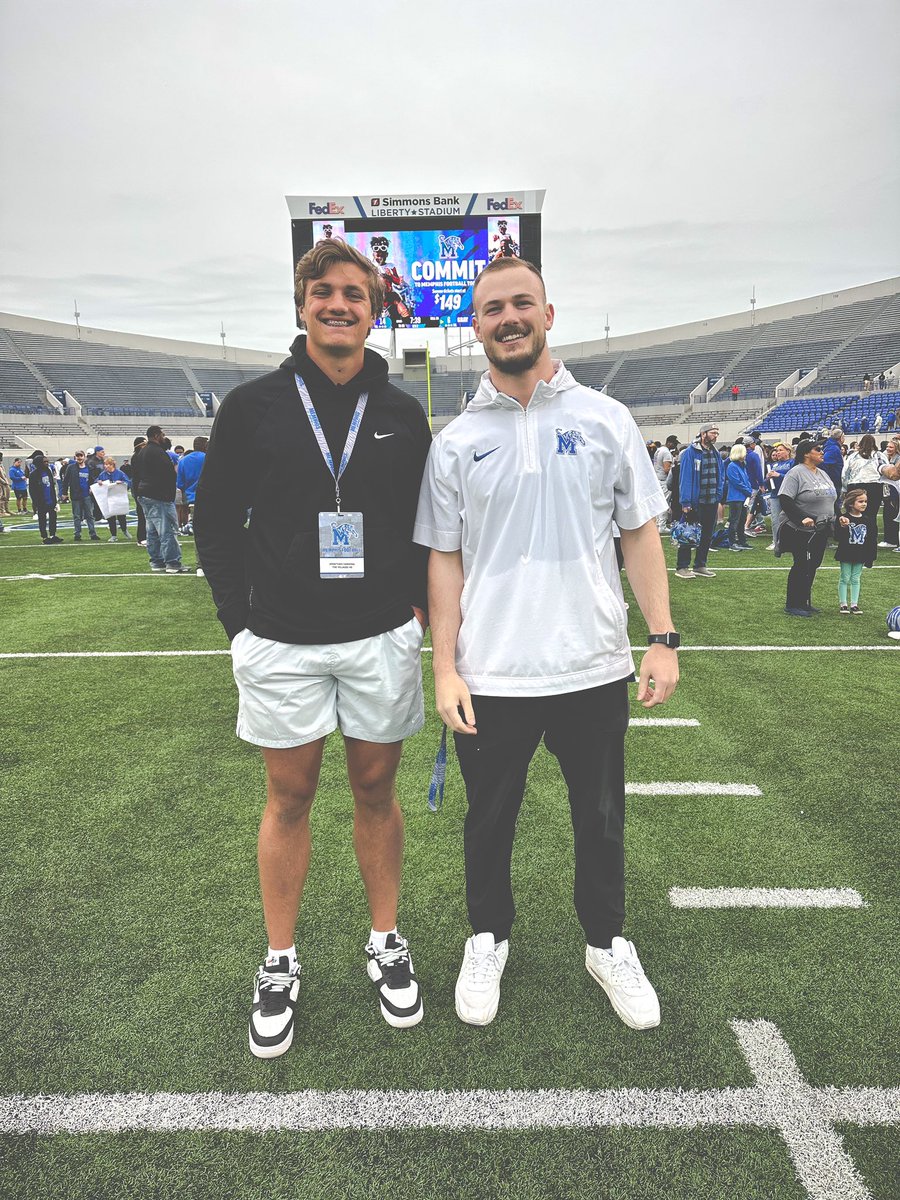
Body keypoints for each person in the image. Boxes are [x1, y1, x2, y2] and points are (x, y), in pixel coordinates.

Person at [414, 256, 678, 1032]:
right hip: (492, 673)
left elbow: (639, 533)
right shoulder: (457, 440)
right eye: (492, 307)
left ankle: (606, 942)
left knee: (599, 817)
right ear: (477, 326)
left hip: (592, 666)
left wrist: (661, 638)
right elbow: (444, 557)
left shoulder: (605, 417)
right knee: (487, 820)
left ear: (548, 313)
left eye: (520, 302)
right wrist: (445, 666)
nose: (508, 317)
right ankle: (488, 936)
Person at [194, 237, 432, 1057]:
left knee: (375, 788)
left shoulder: (401, 412)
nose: (339, 305)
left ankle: (386, 939)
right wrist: (240, 623)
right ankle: (280, 958)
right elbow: (215, 522)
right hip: (283, 640)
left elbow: (427, 529)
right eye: (324, 292)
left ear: (375, 310)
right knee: (288, 796)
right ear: (302, 305)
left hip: (378, 636)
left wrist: (419, 616)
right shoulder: (253, 406)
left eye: (354, 295)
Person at [776, 440, 837, 617]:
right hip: (799, 529)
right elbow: (785, 500)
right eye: (818, 449)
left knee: (813, 564)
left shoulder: (823, 473)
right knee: (801, 564)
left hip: (821, 528)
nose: (822, 452)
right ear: (806, 454)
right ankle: (792, 604)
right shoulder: (795, 473)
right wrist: (802, 518)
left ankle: (804, 601)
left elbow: (832, 498)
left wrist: (839, 515)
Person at [130, 426, 187, 574]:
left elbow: (136, 475)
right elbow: (168, 474)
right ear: (156, 436)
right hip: (158, 495)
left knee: (152, 531)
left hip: (145, 493)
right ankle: (172, 562)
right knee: (167, 530)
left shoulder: (142, 452)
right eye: (162, 434)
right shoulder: (158, 452)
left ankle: (157, 561)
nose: (164, 436)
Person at [675, 422, 723, 579]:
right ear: (703, 434)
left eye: (717, 433)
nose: (715, 436)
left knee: (707, 534)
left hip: (711, 500)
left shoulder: (715, 453)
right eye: (713, 433)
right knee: (689, 534)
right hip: (696, 502)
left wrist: (718, 495)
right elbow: (686, 477)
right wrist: (686, 502)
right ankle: (682, 567)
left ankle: (700, 565)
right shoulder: (691, 452)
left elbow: (720, 475)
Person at [842, 434, 891, 541]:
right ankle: (871, 537)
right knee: (871, 514)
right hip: (874, 487)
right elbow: (886, 471)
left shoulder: (853, 456)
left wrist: (845, 489)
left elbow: (844, 474)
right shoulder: (879, 456)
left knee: (854, 514)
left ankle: (854, 537)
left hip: (855, 486)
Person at [834, 489, 875, 614]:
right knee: (845, 577)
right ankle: (843, 604)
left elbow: (871, 540)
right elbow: (837, 537)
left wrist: (870, 557)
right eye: (860, 501)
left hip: (860, 554)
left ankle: (854, 604)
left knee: (856, 578)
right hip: (846, 553)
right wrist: (842, 526)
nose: (864, 504)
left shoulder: (868, 520)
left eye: (865, 501)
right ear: (851, 503)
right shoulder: (844, 518)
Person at [61, 450, 101, 541]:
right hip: (75, 495)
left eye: (81, 456)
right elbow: (66, 480)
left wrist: (92, 487)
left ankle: (93, 534)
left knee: (90, 515)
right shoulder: (71, 468)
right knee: (77, 516)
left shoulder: (88, 467)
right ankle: (77, 534)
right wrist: (64, 493)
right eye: (77, 456)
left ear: (84, 457)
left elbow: (92, 479)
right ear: (75, 457)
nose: (79, 457)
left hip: (86, 495)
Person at [27, 450, 63, 544]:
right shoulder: (33, 474)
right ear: (39, 463)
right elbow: (32, 490)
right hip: (41, 501)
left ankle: (52, 535)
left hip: (50, 499)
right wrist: (36, 502)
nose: (47, 463)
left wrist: (55, 500)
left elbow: (51, 486)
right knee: (42, 520)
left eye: (47, 462)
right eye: (44, 462)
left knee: (53, 518)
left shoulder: (48, 471)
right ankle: (44, 537)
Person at [175, 436, 208, 533]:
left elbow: (180, 482)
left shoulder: (183, 460)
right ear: (205, 446)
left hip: (189, 496)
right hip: (206, 495)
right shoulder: (208, 458)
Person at [95, 456, 131, 541]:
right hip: (108, 498)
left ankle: (124, 530)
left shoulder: (120, 473)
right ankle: (113, 535)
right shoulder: (103, 474)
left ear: (112, 465)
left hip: (118, 498)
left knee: (121, 516)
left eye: (108, 464)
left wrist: (121, 482)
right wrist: (98, 482)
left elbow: (128, 482)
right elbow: (97, 481)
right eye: (105, 464)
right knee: (110, 517)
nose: (106, 466)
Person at [764, 443, 793, 550]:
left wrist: (779, 475)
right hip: (775, 495)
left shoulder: (792, 463)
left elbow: (793, 478)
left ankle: (790, 542)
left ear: (788, 451)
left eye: (780, 450)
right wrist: (767, 478)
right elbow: (767, 484)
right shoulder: (773, 465)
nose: (777, 452)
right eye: (777, 450)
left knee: (790, 519)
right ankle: (776, 542)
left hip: (788, 495)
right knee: (775, 520)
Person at [121, 437, 147, 545]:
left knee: (144, 514)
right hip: (139, 488)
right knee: (142, 513)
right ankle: (141, 537)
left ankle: (144, 536)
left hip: (139, 487)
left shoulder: (138, 456)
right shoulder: (138, 457)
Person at [725, 444, 752, 550]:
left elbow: (745, 480)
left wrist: (748, 490)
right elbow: (737, 482)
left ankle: (742, 540)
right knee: (734, 520)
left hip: (742, 497)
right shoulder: (732, 466)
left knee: (742, 520)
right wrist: (748, 491)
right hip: (735, 497)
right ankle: (731, 542)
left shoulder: (741, 465)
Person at [0, 453, 11, 517]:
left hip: (5, 483)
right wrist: (3, 482)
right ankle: (1, 511)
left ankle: (6, 509)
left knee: (6, 497)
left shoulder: (1, 465)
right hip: (1, 483)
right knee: (2, 497)